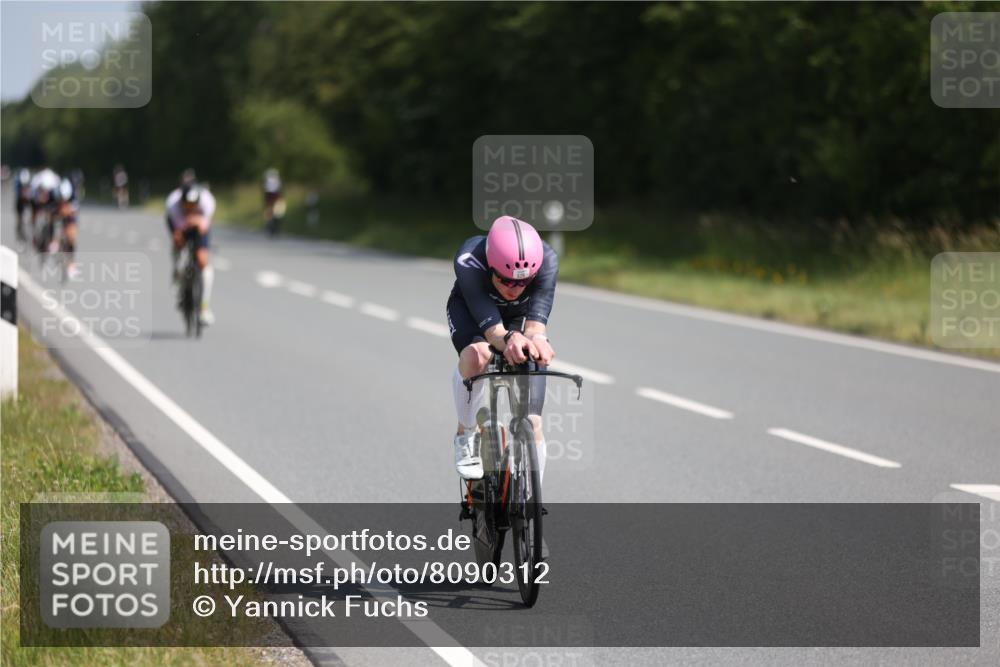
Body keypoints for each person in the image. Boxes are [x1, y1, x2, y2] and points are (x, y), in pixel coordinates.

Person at [446, 216, 558, 480]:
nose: (515, 288)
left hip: (518, 317)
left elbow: (535, 327)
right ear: (491, 268)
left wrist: (538, 340)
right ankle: (466, 433)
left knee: (533, 419)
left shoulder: (547, 260)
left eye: (523, 282)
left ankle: (532, 496)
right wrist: (508, 339)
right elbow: (494, 332)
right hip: (474, 314)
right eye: (507, 281)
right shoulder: (469, 259)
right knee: (478, 355)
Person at [165, 182, 216, 325]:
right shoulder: (173, 204)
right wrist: (181, 233)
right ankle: (177, 273)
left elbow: (203, 227)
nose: (189, 208)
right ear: (181, 202)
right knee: (179, 245)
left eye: (193, 205)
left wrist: (197, 222)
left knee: (203, 261)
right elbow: (179, 232)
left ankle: (204, 308)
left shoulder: (208, 201)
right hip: (178, 224)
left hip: (199, 225)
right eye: (186, 205)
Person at [53, 178, 80, 279]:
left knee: (71, 236)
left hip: (70, 216)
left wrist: (68, 211)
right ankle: (55, 241)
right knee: (55, 223)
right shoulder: (56, 193)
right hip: (58, 211)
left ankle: (71, 265)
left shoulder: (73, 195)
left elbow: (74, 212)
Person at [29, 166, 61, 240]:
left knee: (53, 219)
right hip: (38, 204)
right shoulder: (36, 189)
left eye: (46, 192)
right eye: (42, 191)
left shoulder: (53, 193)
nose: (44, 194)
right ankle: (34, 234)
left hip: (50, 205)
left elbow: (57, 206)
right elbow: (33, 203)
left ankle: (52, 238)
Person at [262, 168, 285, 235]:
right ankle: (273, 229)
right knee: (274, 215)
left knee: (274, 215)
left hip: (273, 200)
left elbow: (266, 193)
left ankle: (273, 228)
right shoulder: (276, 182)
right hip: (273, 200)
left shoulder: (269, 182)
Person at [14, 168, 31, 242]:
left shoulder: (29, 185)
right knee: (19, 220)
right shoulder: (18, 186)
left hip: (26, 203)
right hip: (20, 203)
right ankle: (19, 235)